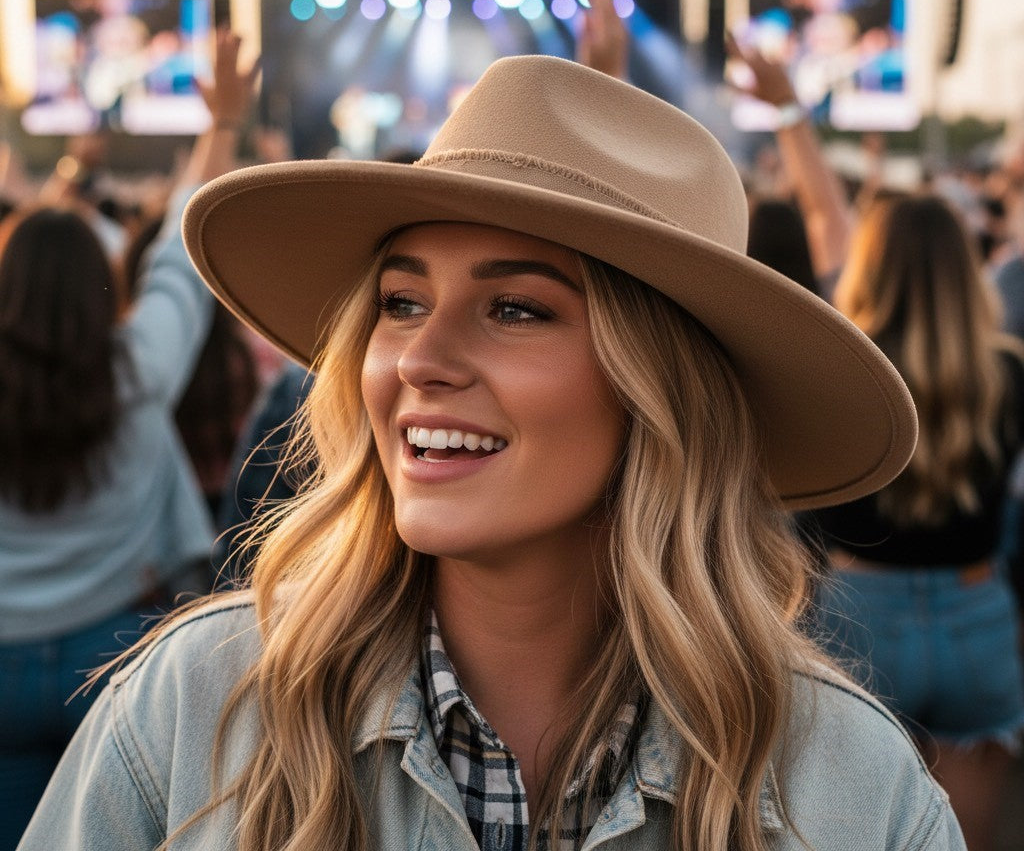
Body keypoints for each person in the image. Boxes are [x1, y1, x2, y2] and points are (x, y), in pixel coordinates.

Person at [19, 52, 962, 851]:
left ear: (661, 391)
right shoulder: (191, 712)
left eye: (514, 309)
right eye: (400, 303)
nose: (418, 359)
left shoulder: (857, 790)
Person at [0, 31, 257, 851]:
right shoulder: (141, 367)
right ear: (100, 282)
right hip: (115, 652)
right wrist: (223, 124)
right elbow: (182, 249)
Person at [813, 194, 1024, 851]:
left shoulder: (838, 372)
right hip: (975, 612)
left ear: (869, 267)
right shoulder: (1008, 372)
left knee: (850, 835)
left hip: (857, 615)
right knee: (968, 839)